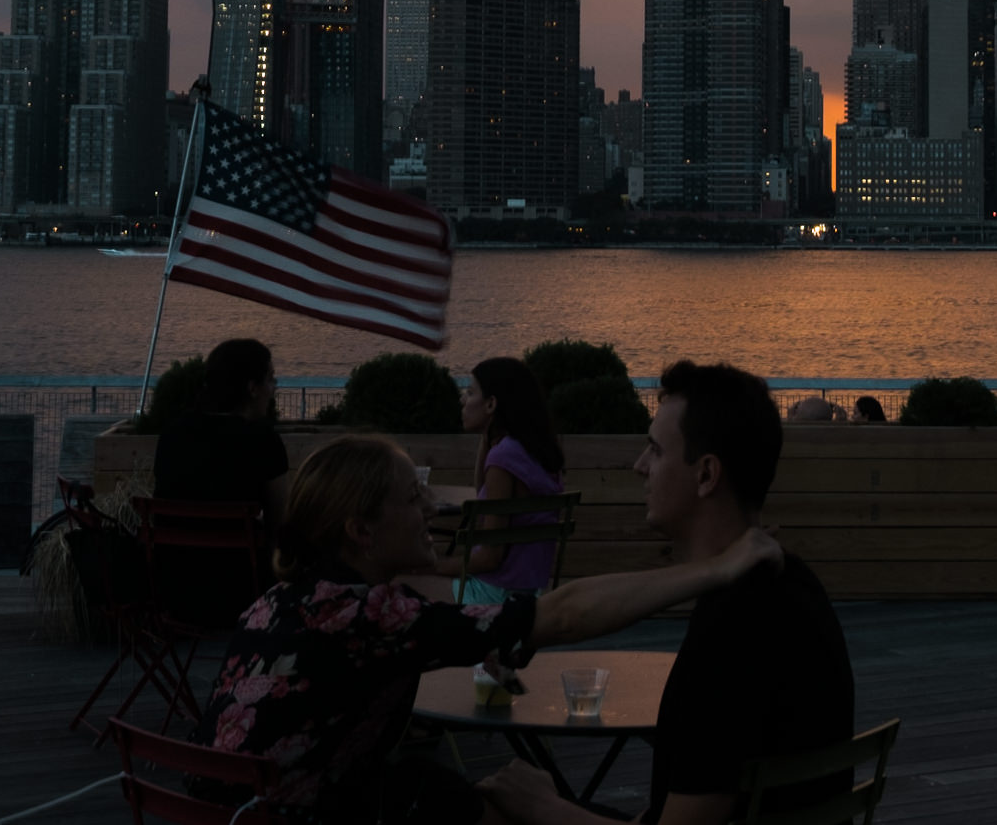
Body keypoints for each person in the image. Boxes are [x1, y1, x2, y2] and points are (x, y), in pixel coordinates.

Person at [193, 432, 781, 824]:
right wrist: (717, 569)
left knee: (457, 792)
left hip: (220, 812)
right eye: (412, 497)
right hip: (295, 817)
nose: (432, 508)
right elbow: (562, 612)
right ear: (361, 532)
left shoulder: (277, 602)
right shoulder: (370, 614)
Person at [483, 361, 854, 825]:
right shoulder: (792, 584)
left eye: (655, 451)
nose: (640, 466)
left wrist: (544, 807)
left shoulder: (732, 633)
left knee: (495, 809)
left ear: (706, 476)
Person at [153, 337, 289, 625]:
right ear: (252, 389)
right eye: (271, 378)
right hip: (245, 594)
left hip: (173, 590)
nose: (275, 387)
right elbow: (281, 524)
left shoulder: (174, 434)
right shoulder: (263, 441)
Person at [457, 357, 567, 602]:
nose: (463, 400)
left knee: (400, 584)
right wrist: (487, 435)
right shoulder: (533, 451)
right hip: (528, 593)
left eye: (470, 392)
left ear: (491, 404)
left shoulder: (504, 457)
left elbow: (489, 557)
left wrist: (432, 566)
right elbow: (483, 494)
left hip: (494, 595)